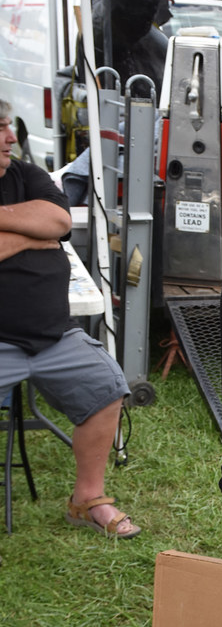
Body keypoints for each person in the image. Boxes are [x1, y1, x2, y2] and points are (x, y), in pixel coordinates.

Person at [0, 102, 140, 538]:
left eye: (8, 126)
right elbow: (45, 230)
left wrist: (24, 233)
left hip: (54, 336)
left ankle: (87, 499)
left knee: (106, 387)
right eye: (0, 128)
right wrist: (31, 236)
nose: (10, 136)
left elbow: (58, 221)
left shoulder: (27, 176)